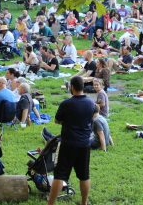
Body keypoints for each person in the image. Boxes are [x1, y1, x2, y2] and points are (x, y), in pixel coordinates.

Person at [47, 76, 95, 205]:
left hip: (68, 143)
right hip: (85, 144)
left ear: (72, 87)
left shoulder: (66, 103)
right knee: (84, 175)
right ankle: (84, 203)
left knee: (60, 175)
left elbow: (57, 120)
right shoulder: (91, 103)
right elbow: (94, 115)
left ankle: (50, 203)